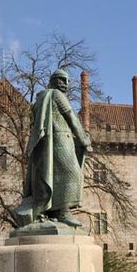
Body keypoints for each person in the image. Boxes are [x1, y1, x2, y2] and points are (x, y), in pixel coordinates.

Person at [13, 69, 92, 228]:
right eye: (62, 80)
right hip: (60, 140)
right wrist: (84, 140)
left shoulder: (41, 99)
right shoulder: (56, 95)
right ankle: (63, 212)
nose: (66, 84)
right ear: (54, 81)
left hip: (53, 142)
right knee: (72, 173)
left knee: (55, 176)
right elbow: (71, 116)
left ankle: (52, 211)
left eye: (67, 81)